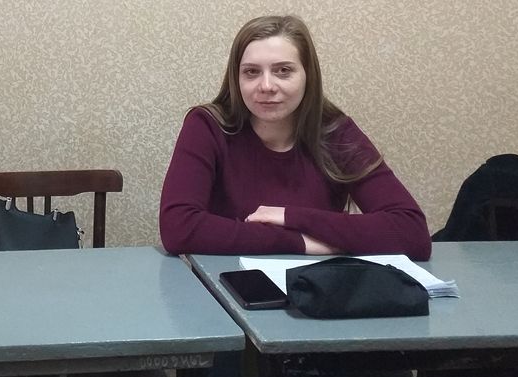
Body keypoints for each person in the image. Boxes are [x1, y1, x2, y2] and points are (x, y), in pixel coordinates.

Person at [160, 14, 431, 261]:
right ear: (236, 78)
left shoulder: (335, 131)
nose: (267, 86)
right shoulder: (208, 126)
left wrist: (289, 216)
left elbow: (411, 232)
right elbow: (178, 228)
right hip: (221, 285)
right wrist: (298, 242)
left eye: (283, 71)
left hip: (318, 286)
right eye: (252, 72)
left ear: (308, 76)